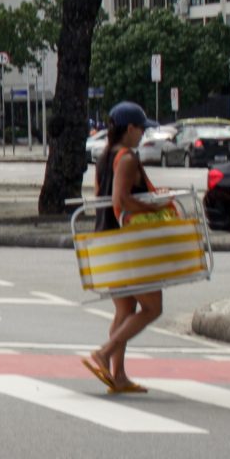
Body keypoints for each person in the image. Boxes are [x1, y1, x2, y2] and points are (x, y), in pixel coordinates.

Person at [84, 101, 164, 395]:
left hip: (105, 238)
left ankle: (118, 377)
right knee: (153, 307)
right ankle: (104, 354)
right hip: (127, 243)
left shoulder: (105, 158)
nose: (143, 134)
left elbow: (100, 197)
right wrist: (157, 206)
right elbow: (122, 201)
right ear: (129, 128)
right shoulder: (127, 158)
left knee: (126, 307)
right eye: (141, 128)